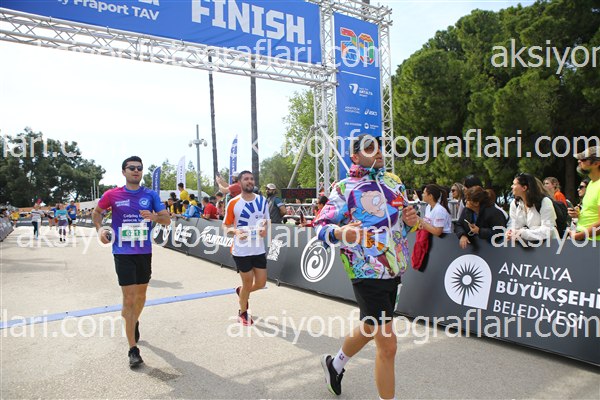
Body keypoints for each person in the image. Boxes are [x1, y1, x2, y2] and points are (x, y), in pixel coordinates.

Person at [313, 134, 418, 399]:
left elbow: (402, 226)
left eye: (379, 147)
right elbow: (320, 226)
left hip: (394, 268)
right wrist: (340, 232)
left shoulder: (394, 183)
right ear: (356, 157)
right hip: (365, 270)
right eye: (370, 148)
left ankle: (334, 365)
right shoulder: (344, 188)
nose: (378, 151)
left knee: (370, 327)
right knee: (388, 346)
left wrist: (411, 221)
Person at [92, 156, 170, 368]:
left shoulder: (150, 195)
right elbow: (97, 212)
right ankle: (133, 349)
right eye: (132, 168)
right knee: (129, 299)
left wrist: (154, 217)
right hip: (122, 252)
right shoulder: (113, 194)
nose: (136, 171)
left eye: (139, 168)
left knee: (141, 296)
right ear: (124, 171)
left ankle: (133, 320)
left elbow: (166, 219)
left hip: (144, 252)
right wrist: (100, 229)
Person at [222, 170, 270, 326]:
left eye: (252, 179)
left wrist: (265, 230)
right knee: (248, 283)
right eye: (246, 179)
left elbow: (266, 221)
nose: (250, 181)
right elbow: (225, 226)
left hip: (258, 249)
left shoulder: (262, 200)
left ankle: (241, 291)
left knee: (261, 283)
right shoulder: (233, 202)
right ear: (239, 183)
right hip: (241, 251)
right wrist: (235, 232)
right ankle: (242, 312)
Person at [506, 173, 557, 242]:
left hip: (548, 245)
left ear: (524, 188)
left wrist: (522, 233)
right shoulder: (514, 204)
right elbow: (512, 225)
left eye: (514, 184)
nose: (512, 186)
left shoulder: (544, 202)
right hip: (524, 246)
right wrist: (509, 233)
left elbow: (548, 230)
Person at [567, 147, 600, 241]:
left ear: (596, 163)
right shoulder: (591, 184)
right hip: (587, 241)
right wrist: (578, 213)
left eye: (583, 159)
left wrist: (578, 236)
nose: (579, 161)